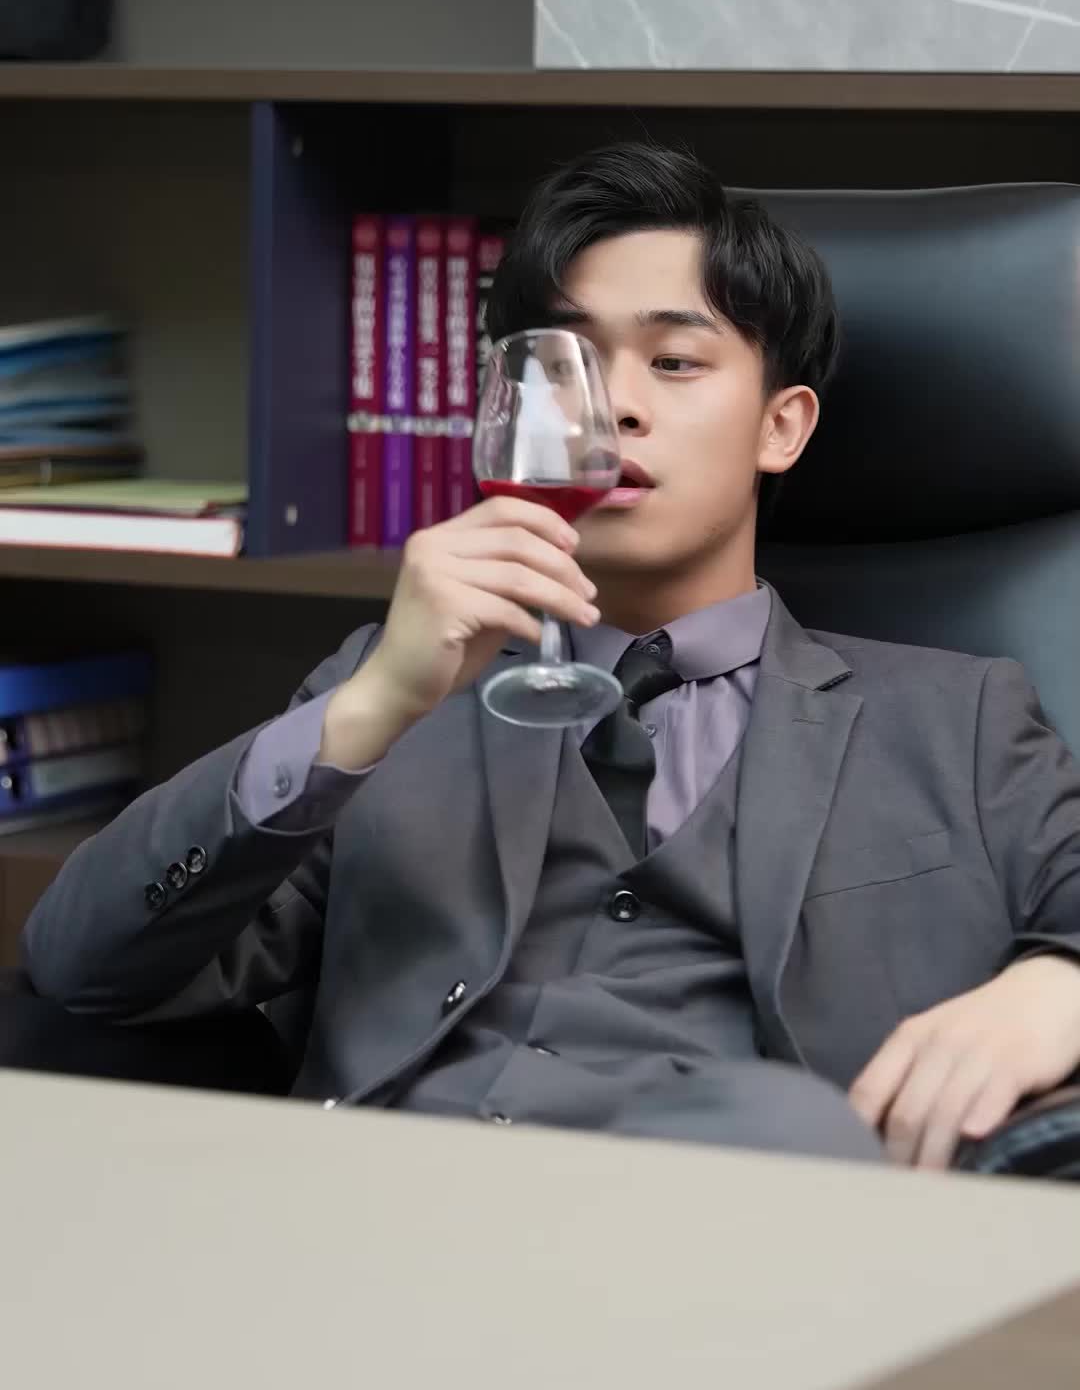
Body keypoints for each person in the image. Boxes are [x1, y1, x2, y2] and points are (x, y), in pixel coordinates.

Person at [22, 142, 1080, 1170]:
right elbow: (79, 967)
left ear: (782, 427)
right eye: (564, 365)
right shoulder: (388, 691)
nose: (612, 406)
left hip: (754, 1225)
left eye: (674, 362)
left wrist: (1061, 987)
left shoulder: (961, 717)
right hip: (391, 1211)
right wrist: (369, 708)